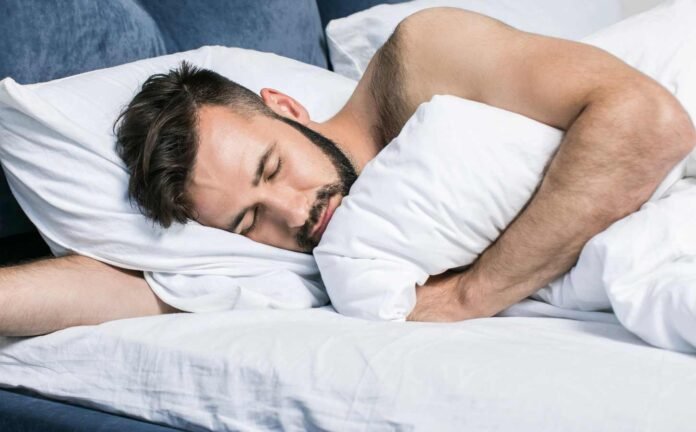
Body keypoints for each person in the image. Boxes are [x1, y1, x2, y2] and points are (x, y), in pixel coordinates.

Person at [1, 8, 693, 336]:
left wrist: (471, 297)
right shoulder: (305, 254)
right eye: (249, 220)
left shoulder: (420, 60)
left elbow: (648, 122)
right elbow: (130, 288)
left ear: (286, 106)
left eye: (272, 166)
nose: (293, 211)